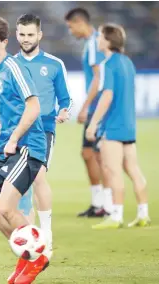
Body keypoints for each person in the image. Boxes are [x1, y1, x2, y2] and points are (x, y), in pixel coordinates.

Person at [0, 15, 51, 283]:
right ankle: (26, 255)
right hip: (8, 144)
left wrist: (14, 137)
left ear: (4, 42)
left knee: (7, 208)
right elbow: (10, 113)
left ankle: (39, 255)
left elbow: (33, 106)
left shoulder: (14, 68)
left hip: (28, 145)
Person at [13, 13, 73, 248]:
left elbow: (65, 98)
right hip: (17, 131)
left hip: (43, 128)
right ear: (16, 34)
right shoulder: (10, 65)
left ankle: (46, 234)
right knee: (19, 184)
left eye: (30, 34)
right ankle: (29, 235)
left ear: (40, 35)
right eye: (22, 34)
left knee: (37, 177)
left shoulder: (54, 64)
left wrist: (65, 110)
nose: (26, 39)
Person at [86, 24, 150, 230]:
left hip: (113, 126)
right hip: (129, 126)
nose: (97, 40)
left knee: (113, 171)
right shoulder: (128, 62)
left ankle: (116, 215)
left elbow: (107, 94)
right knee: (133, 170)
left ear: (108, 40)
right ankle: (143, 213)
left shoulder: (108, 64)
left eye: (100, 37)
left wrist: (93, 123)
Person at [65, 8, 112, 217]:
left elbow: (97, 78)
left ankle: (107, 204)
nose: (70, 31)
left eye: (70, 26)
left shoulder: (94, 43)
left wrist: (85, 107)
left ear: (79, 23)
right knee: (90, 154)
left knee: (99, 156)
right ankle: (99, 203)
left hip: (96, 108)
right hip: (97, 106)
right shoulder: (92, 43)